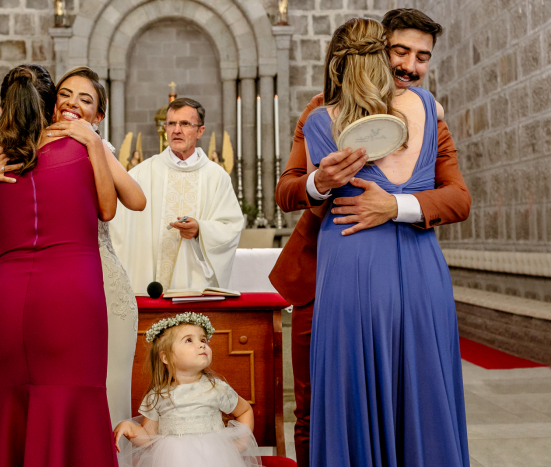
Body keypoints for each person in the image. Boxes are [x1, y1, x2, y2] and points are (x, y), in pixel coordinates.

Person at [268, 9, 471, 466]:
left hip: (405, 265)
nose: (410, 66)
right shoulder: (321, 112)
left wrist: (394, 206)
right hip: (325, 273)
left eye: (423, 57)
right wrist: (319, 181)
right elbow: (287, 189)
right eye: (401, 52)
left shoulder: (428, 111)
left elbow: (458, 199)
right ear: (379, 50)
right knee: (315, 403)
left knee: (416, 389)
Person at [0, 65, 146, 466]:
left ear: (3, 107)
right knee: (77, 409)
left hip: (6, 302)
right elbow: (108, 208)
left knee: (13, 410)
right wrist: (95, 145)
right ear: (50, 105)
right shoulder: (81, 148)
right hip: (70, 297)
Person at [109, 98, 244, 294]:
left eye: (185, 124)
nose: (176, 130)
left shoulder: (216, 177)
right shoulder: (141, 173)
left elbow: (230, 227)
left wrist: (200, 230)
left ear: (200, 131)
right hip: (147, 287)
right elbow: (115, 222)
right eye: (171, 123)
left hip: (193, 287)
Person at [113, 313, 261, 467]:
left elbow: (244, 411)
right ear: (166, 357)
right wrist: (130, 429)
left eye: (203, 340)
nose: (202, 344)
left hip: (215, 459)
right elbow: (150, 440)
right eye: (189, 340)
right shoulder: (157, 396)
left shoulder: (216, 388)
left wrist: (241, 444)